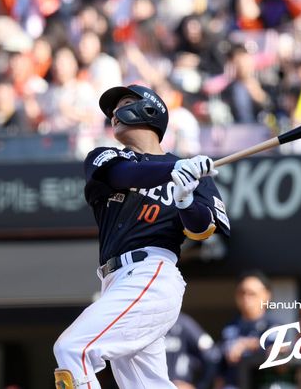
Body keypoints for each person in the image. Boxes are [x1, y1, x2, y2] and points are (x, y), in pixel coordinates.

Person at [52, 84, 230, 388]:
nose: (113, 113)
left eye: (123, 104)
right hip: (115, 283)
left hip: (152, 275)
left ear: (149, 110)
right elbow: (125, 175)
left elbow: (202, 230)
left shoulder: (193, 174)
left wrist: (185, 199)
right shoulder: (106, 156)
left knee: (72, 349)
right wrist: (175, 167)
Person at [215, 271, 279, 389]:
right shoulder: (230, 327)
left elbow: (276, 355)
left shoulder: (274, 326)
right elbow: (220, 367)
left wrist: (247, 344)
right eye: (242, 293)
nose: (246, 298)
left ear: (266, 295)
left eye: (252, 294)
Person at [165, 312, 218, 389]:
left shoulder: (184, 323)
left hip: (181, 383)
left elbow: (213, 355)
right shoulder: (149, 324)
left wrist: (201, 385)